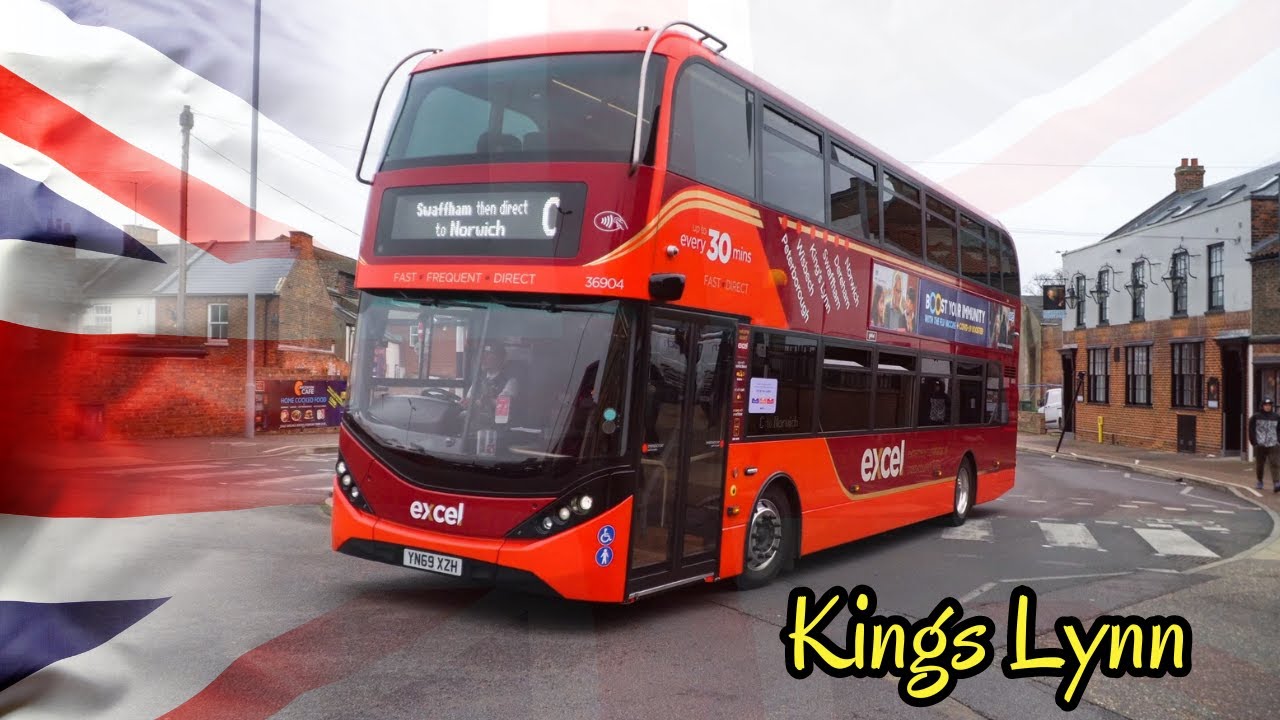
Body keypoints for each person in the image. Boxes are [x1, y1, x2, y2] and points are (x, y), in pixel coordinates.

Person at [462, 343, 518, 428]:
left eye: (489, 355)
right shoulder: (478, 380)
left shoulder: (510, 381)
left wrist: (489, 401)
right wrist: (466, 403)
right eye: (483, 355)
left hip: (497, 430)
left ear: (500, 359)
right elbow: (469, 401)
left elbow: (502, 412)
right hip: (474, 427)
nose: (483, 359)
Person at [1248, 397, 1280, 492]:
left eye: (1269, 405)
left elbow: (1279, 429)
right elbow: (1251, 429)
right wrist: (1254, 442)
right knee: (1260, 464)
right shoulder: (1256, 417)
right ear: (1262, 406)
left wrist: (1278, 440)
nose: (1267, 407)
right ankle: (1260, 481)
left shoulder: (1276, 417)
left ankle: (1276, 483)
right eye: (1266, 405)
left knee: (1275, 463)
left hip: (1273, 444)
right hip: (1260, 444)